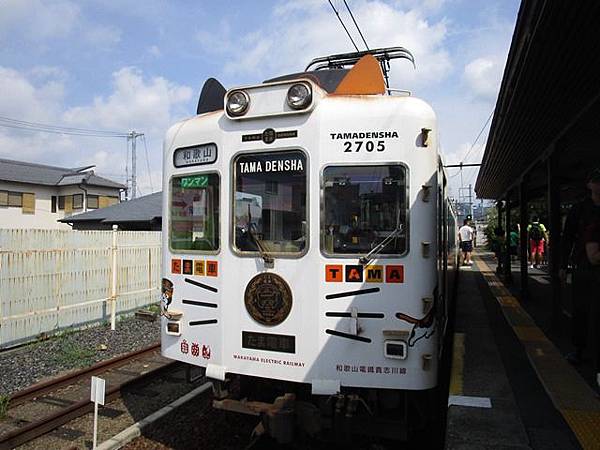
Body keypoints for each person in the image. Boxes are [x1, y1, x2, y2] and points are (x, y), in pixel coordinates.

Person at [560, 167, 600, 370]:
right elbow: (567, 238)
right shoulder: (580, 209)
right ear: (589, 184)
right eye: (596, 179)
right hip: (584, 265)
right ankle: (579, 349)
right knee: (582, 308)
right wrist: (563, 265)